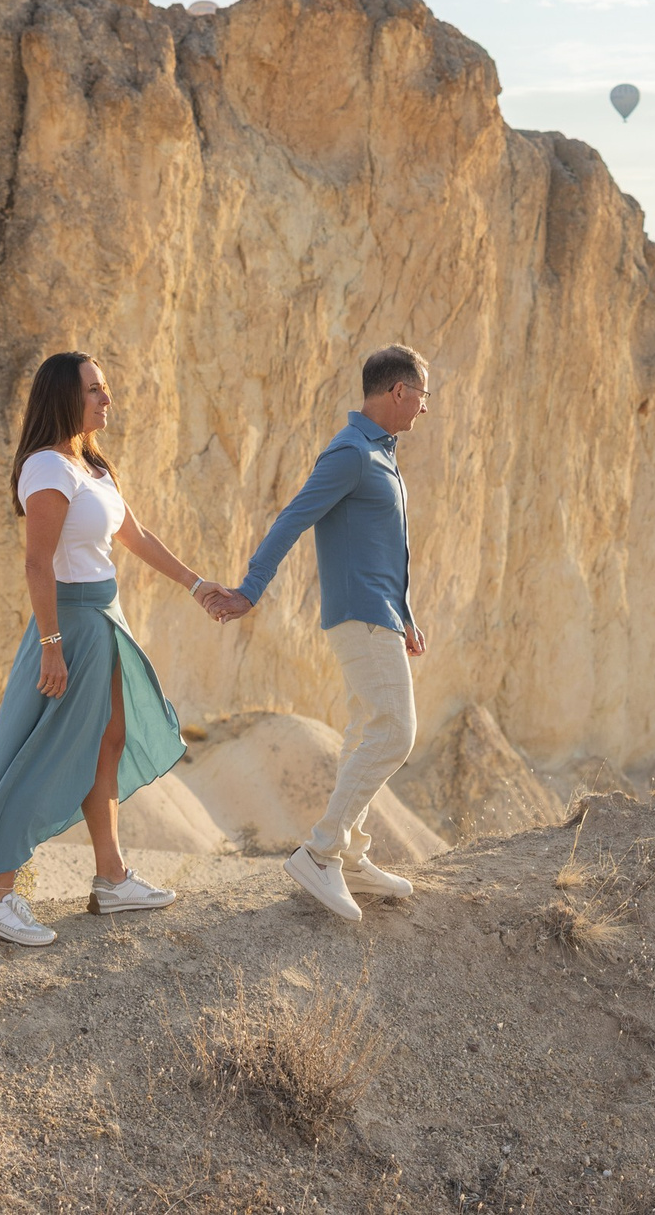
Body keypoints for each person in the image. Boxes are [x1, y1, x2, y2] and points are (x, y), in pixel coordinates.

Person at [0, 350, 238, 946]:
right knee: (52, 754)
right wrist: (52, 646)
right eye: (95, 391)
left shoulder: (90, 465)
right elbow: (37, 564)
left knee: (108, 742)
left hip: (105, 617)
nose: (107, 399)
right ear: (65, 397)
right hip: (71, 625)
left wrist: (196, 584)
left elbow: (135, 535)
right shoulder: (47, 469)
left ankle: (111, 878)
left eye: (105, 389)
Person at [208, 345, 430, 923]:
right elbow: (293, 518)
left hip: (380, 613)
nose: (425, 409)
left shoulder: (382, 453)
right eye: (422, 395)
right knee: (397, 732)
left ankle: (351, 856)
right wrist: (250, 589)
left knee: (364, 730)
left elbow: (384, 547)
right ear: (398, 391)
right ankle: (322, 850)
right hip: (358, 614)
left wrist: (405, 615)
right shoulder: (351, 453)